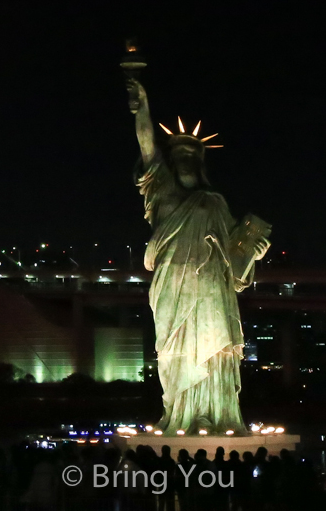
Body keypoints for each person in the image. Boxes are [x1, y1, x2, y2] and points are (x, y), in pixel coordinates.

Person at [127, 78, 269, 435]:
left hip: (210, 285)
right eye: (180, 151)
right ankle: (181, 414)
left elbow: (234, 257)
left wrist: (254, 253)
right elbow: (146, 145)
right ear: (171, 159)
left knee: (215, 347)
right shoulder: (161, 191)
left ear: (201, 159)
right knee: (175, 349)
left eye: (193, 151)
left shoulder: (215, 202)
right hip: (172, 282)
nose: (186, 155)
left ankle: (217, 415)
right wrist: (142, 105)